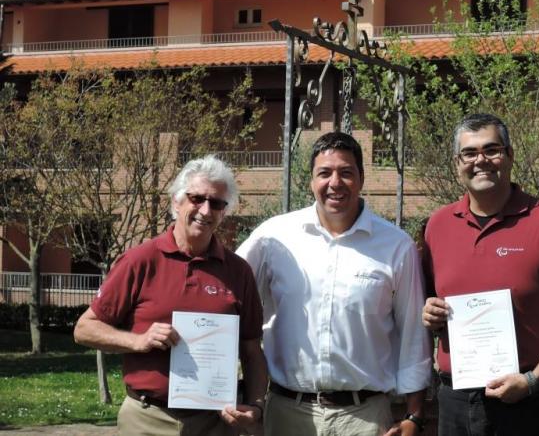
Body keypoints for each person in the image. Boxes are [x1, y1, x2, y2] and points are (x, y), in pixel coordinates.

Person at [236, 132, 431, 436]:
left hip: (364, 418)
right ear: (311, 180)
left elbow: (412, 335)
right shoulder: (273, 236)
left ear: (362, 179)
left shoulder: (396, 245)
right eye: (324, 173)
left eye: (346, 172)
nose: (335, 183)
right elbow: (228, 291)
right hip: (287, 414)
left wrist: (414, 415)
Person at [421, 113, 539, 436]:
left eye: (492, 150)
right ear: (456, 163)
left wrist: (532, 381)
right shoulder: (438, 226)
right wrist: (430, 312)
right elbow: (427, 305)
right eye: (470, 153)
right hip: (457, 401)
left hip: (529, 400)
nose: (481, 161)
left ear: (510, 156)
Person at [74, 155, 266, 436]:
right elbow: (84, 329)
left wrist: (257, 406)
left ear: (224, 212)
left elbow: (252, 351)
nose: (205, 209)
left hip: (215, 423)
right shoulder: (140, 260)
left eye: (216, 203)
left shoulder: (238, 271)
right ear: (176, 202)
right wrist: (138, 341)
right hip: (146, 419)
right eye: (197, 198)